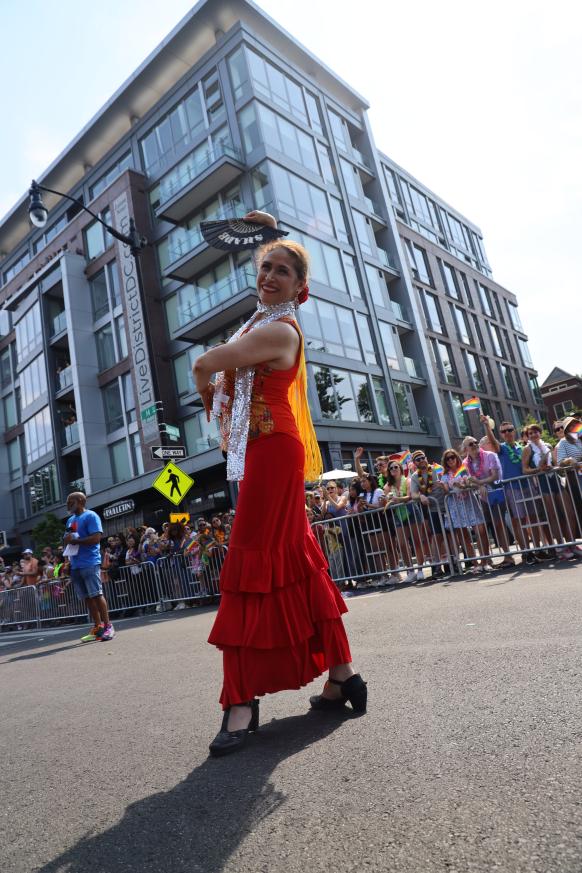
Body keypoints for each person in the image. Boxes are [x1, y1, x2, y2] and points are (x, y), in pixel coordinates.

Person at [193, 210, 366, 757]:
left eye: (283, 270)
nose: (270, 275)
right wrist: (216, 390)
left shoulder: (276, 330)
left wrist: (209, 391)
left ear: (301, 287)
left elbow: (206, 363)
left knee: (249, 562)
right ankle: (342, 676)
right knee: (297, 554)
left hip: (271, 452)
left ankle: (240, 701)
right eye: (266, 267)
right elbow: (217, 370)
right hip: (266, 451)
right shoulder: (259, 327)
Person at [481, 416, 537, 564]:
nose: (507, 433)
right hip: (512, 489)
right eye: (504, 431)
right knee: (518, 521)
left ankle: (538, 549)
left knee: (533, 518)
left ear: (514, 431)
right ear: (501, 434)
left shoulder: (521, 446)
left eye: (510, 430)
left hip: (527, 485)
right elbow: (493, 442)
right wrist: (487, 427)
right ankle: (527, 552)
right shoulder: (502, 448)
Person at [64, 492, 114, 642]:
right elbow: (68, 540)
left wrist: (75, 542)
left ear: (79, 501)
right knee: (87, 598)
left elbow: (96, 538)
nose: (67, 505)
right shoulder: (70, 520)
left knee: (96, 594)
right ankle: (97, 627)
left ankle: (108, 626)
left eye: (69, 501)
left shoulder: (91, 516)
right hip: (75, 564)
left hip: (90, 562)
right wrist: (67, 560)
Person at [462, 435, 515, 569]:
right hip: (478, 498)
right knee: (481, 529)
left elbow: (495, 475)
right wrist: (478, 485)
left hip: (495, 493)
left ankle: (508, 557)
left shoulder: (489, 455)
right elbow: (467, 480)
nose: (474, 445)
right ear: (465, 449)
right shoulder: (464, 463)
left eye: (475, 442)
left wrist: (480, 483)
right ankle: (486, 561)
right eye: (470, 444)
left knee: (499, 524)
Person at [440, 448, 489, 574]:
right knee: (463, 536)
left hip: (469, 503)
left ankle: (485, 561)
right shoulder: (444, 475)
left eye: (452, 457)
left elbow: (473, 483)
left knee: (481, 530)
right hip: (455, 506)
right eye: (448, 458)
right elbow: (446, 490)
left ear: (457, 457)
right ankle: (475, 563)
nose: (451, 460)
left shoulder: (465, 469)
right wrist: (443, 486)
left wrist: (465, 485)